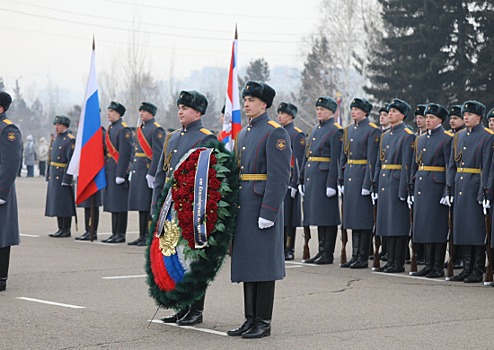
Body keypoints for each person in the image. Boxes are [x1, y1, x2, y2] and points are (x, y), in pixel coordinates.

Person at [228, 81, 291, 339]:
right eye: (245, 99)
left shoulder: (274, 132)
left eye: (251, 100)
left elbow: (279, 177)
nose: (246, 104)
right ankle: (249, 319)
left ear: (264, 104)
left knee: (263, 266)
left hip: (261, 207)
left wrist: (269, 212)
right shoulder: (244, 133)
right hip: (245, 207)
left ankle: (263, 321)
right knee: (248, 264)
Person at [153, 90, 216, 326]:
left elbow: (213, 179)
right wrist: (156, 206)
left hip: (193, 209)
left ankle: (196, 310)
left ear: (198, 112)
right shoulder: (173, 138)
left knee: (194, 260)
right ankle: (181, 307)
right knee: (175, 259)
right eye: (179, 107)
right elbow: (162, 174)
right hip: (171, 208)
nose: (180, 111)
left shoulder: (207, 139)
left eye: (186, 108)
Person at [447, 100, 493, 283]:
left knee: (476, 229)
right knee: (463, 228)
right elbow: (452, 164)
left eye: (470, 114)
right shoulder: (459, 137)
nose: (466, 117)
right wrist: (450, 188)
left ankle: (477, 268)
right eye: (464, 114)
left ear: (479, 117)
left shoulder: (487, 136)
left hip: (475, 186)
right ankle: (466, 268)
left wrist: (485, 191)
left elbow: (488, 167)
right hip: (460, 186)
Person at [408, 103, 452, 278]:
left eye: (431, 118)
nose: (427, 121)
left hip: (437, 186)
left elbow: (450, 166)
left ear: (440, 120)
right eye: (426, 118)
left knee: (437, 227)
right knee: (424, 226)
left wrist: (447, 191)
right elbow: (414, 165)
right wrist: (411, 188)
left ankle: (437, 265)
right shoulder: (420, 139)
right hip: (421, 185)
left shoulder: (447, 139)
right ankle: (428, 264)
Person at [372, 98, 416, 273]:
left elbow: (407, 165)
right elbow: (379, 162)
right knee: (386, 222)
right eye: (389, 111)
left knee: (397, 224)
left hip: (397, 181)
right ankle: (389, 259)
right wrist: (375, 183)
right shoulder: (385, 135)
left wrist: (404, 189)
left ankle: (397, 262)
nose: (390, 114)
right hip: (385, 180)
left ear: (402, 115)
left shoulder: (407, 135)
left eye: (394, 112)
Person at [299, 96, 343, 265]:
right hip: (313, 177)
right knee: (317, 216)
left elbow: (335, 159)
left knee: (327, 217)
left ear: (332, 112)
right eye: (318, 109)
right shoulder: (316, 129)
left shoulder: (335, 130)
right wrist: (302, 177)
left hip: (324, 178)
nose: (319, 112)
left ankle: (327, 252)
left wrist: (332, 183)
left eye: (322, 110)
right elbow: (307, 155)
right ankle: (320, 250)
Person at [339, 98, 380, 269]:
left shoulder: (372, 131)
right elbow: (343, 157)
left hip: (362, 175)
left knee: (362, 220)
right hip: (350, 175)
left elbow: (372, 159)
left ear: (365, 112)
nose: (353, 112)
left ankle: (362, 255)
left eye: (356, 109)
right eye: (352, 109)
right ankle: (354, 255)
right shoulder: (348, 130)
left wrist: (367, 184)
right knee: (352, 219)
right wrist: (340, 178)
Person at [127, 102, 164, 246]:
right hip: (139, 169)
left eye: (144, 111)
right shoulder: (140, 129)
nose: (141, 113)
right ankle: (141, 235)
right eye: (140, 111)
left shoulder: (156, 129)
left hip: (148, 170)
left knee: (148, 204)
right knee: (141, 205)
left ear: (151, 113)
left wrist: (153, 172)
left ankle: (149, 235)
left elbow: (158, 153)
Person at [277, 102, 305, 261]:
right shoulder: (277, 132)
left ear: (291, 116)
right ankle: (280, 246)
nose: (280, 116)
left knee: (289, 218)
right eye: (279, 113)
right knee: (280, 216)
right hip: (279, 179)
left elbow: (299, 161)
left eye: (283, 113)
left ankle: (289, 248)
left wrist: (294, 183)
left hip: (290, 181)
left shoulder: (296, 134)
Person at [0, 92, 22, 292]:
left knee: (2, 234)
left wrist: (2, 191)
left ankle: (1, 278)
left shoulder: (8, 129)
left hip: (1, 190)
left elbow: (11, 163)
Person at [102, 101, 133, 244]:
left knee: (120, 204)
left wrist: (121, 173)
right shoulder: (111, 128)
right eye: (108, 111)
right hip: (111, 169)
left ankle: (120, 233)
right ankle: (114, 232)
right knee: (113, 203)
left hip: (119, 170)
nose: (109, 114)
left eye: (112, 111)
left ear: (119, 114)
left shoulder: (123, 129)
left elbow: (125, 154)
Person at [45, 115, 76, 238]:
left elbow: (71, 161)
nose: (56, 127)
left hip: (63, 174)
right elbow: (50, 158)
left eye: (59, 125)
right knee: (57, 202)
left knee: (65, 203)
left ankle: (66, 228)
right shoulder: (56, 138)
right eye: (56, 125)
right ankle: (60, 227)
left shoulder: (70, 140)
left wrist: (68, 178)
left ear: (65, 126)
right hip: (54, 174)